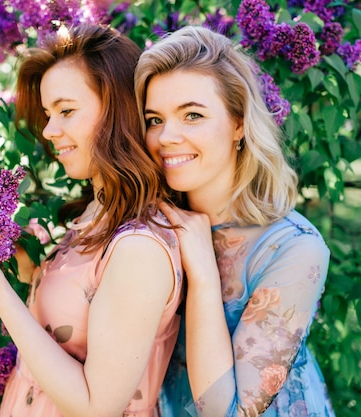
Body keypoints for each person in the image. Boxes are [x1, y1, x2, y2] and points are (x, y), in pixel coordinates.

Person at [0, 24, 183, 417]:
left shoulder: (139, 248)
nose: (48, 130)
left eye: (66, 110)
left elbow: (98, 406)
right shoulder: (94, 215)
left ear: (119, 109)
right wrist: (31, 274)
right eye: (48, 114)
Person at [134, 26, 335, 417]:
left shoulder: (294, 249)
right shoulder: (148, 225)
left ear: (238, 123)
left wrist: (204, 274)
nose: (166, 137)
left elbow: (227, 413)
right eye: (154, 119)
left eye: (192, 115)